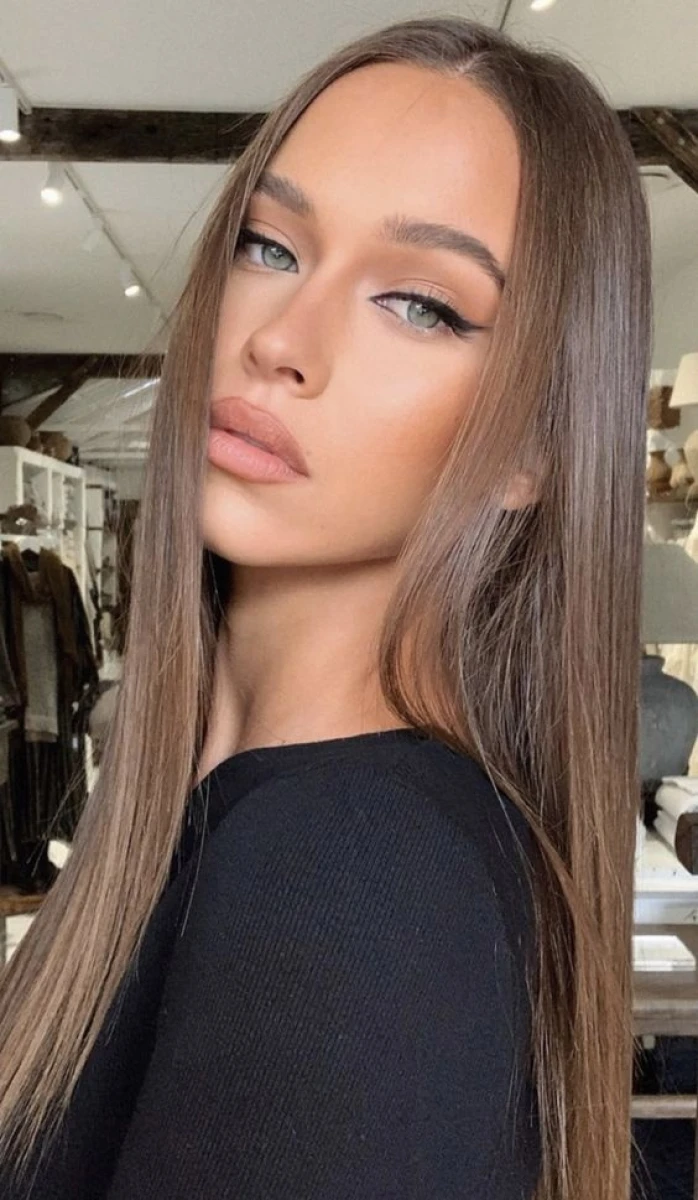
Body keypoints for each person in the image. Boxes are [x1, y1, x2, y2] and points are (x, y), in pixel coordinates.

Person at [0, 14, 651, 1200]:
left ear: (532, 449)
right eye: (269, 245)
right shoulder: (213, 812)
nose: (280, 341)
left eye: (422, 305)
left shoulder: (354, 870)